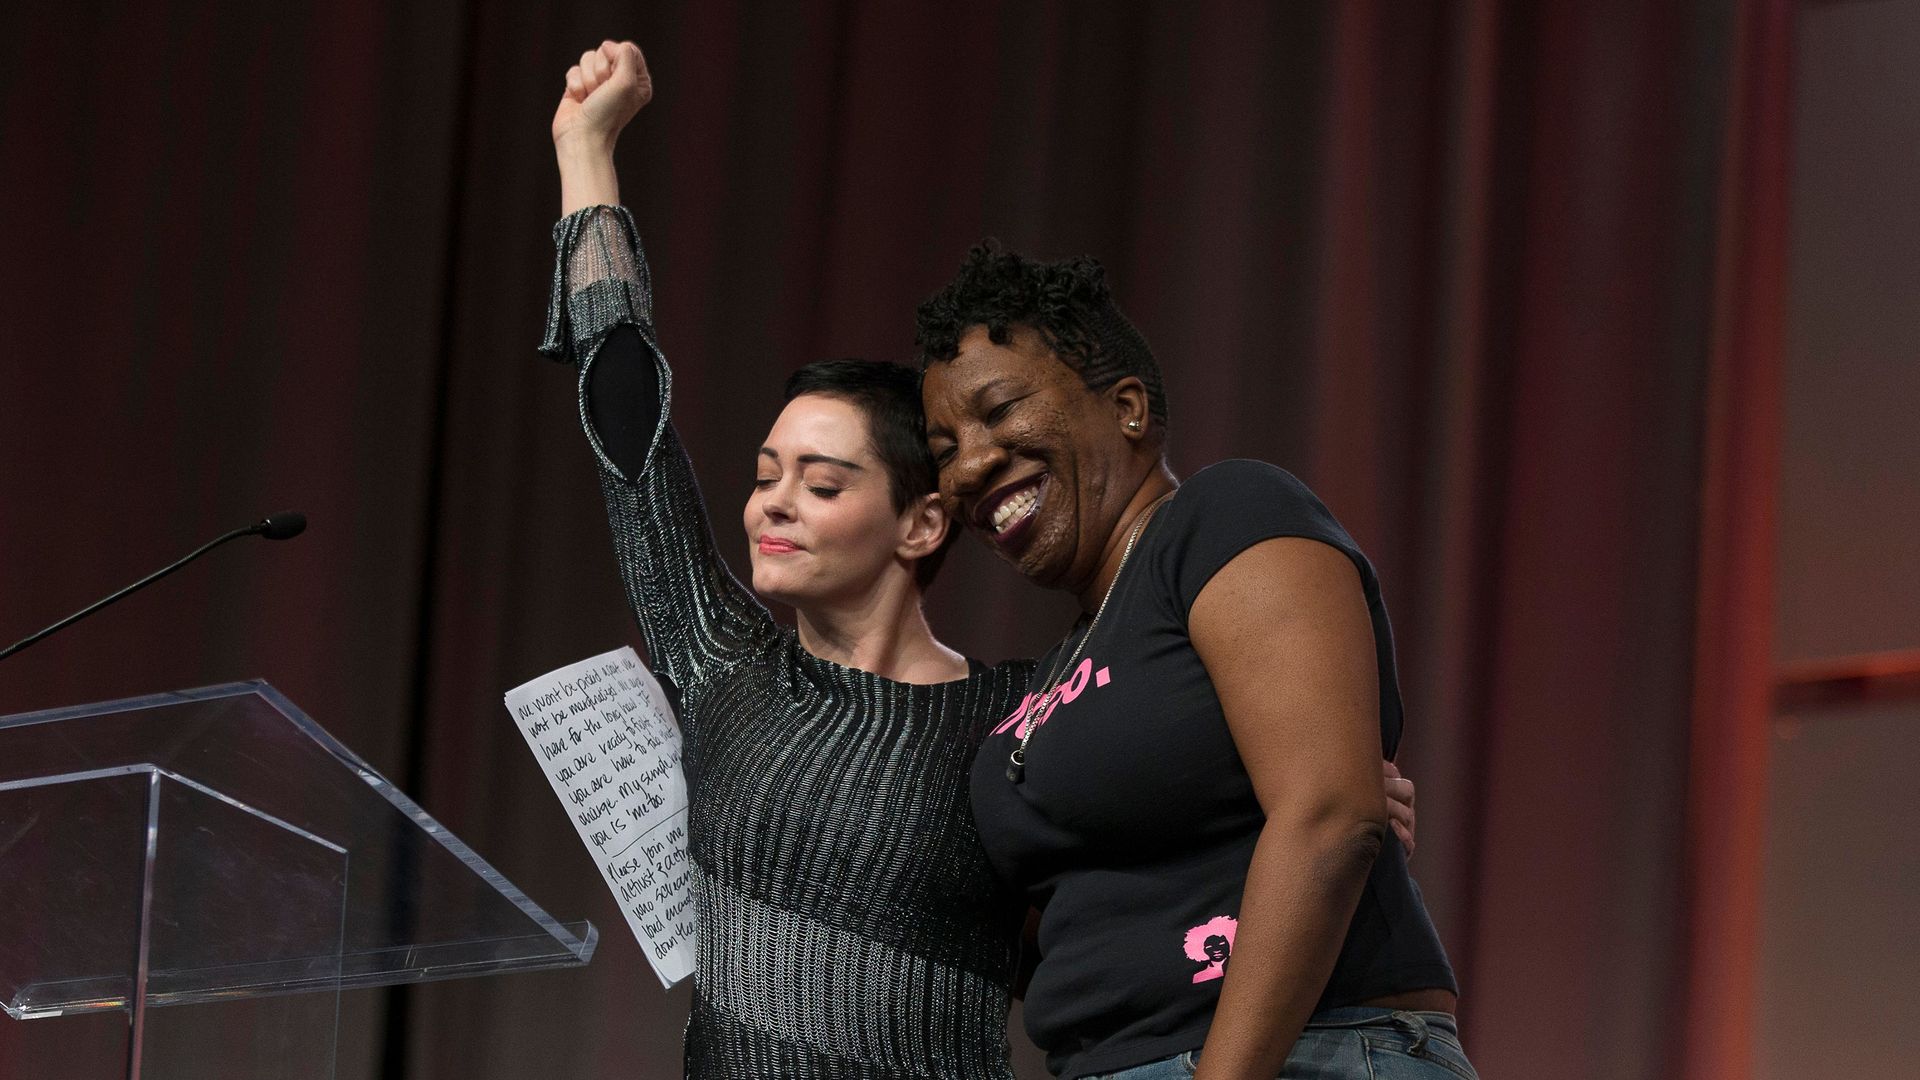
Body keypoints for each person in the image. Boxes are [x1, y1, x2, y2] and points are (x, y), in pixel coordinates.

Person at [542, 40, 1422, 1079]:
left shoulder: (1015, 725)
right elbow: (631, 434)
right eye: (765, 473)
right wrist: (584, 155)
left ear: (923, 524)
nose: (775, 500)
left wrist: (1312, 789)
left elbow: (1164, 813)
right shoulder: (727, 668)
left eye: (824, 482)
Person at [918, 244, 1477, 1080]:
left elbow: (1329, 814)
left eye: (999, 412)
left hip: (1299, 1053)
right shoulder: (1053, 671)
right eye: (944, 447)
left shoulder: (1225, 517)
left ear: (1130, 408)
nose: (968, 465)